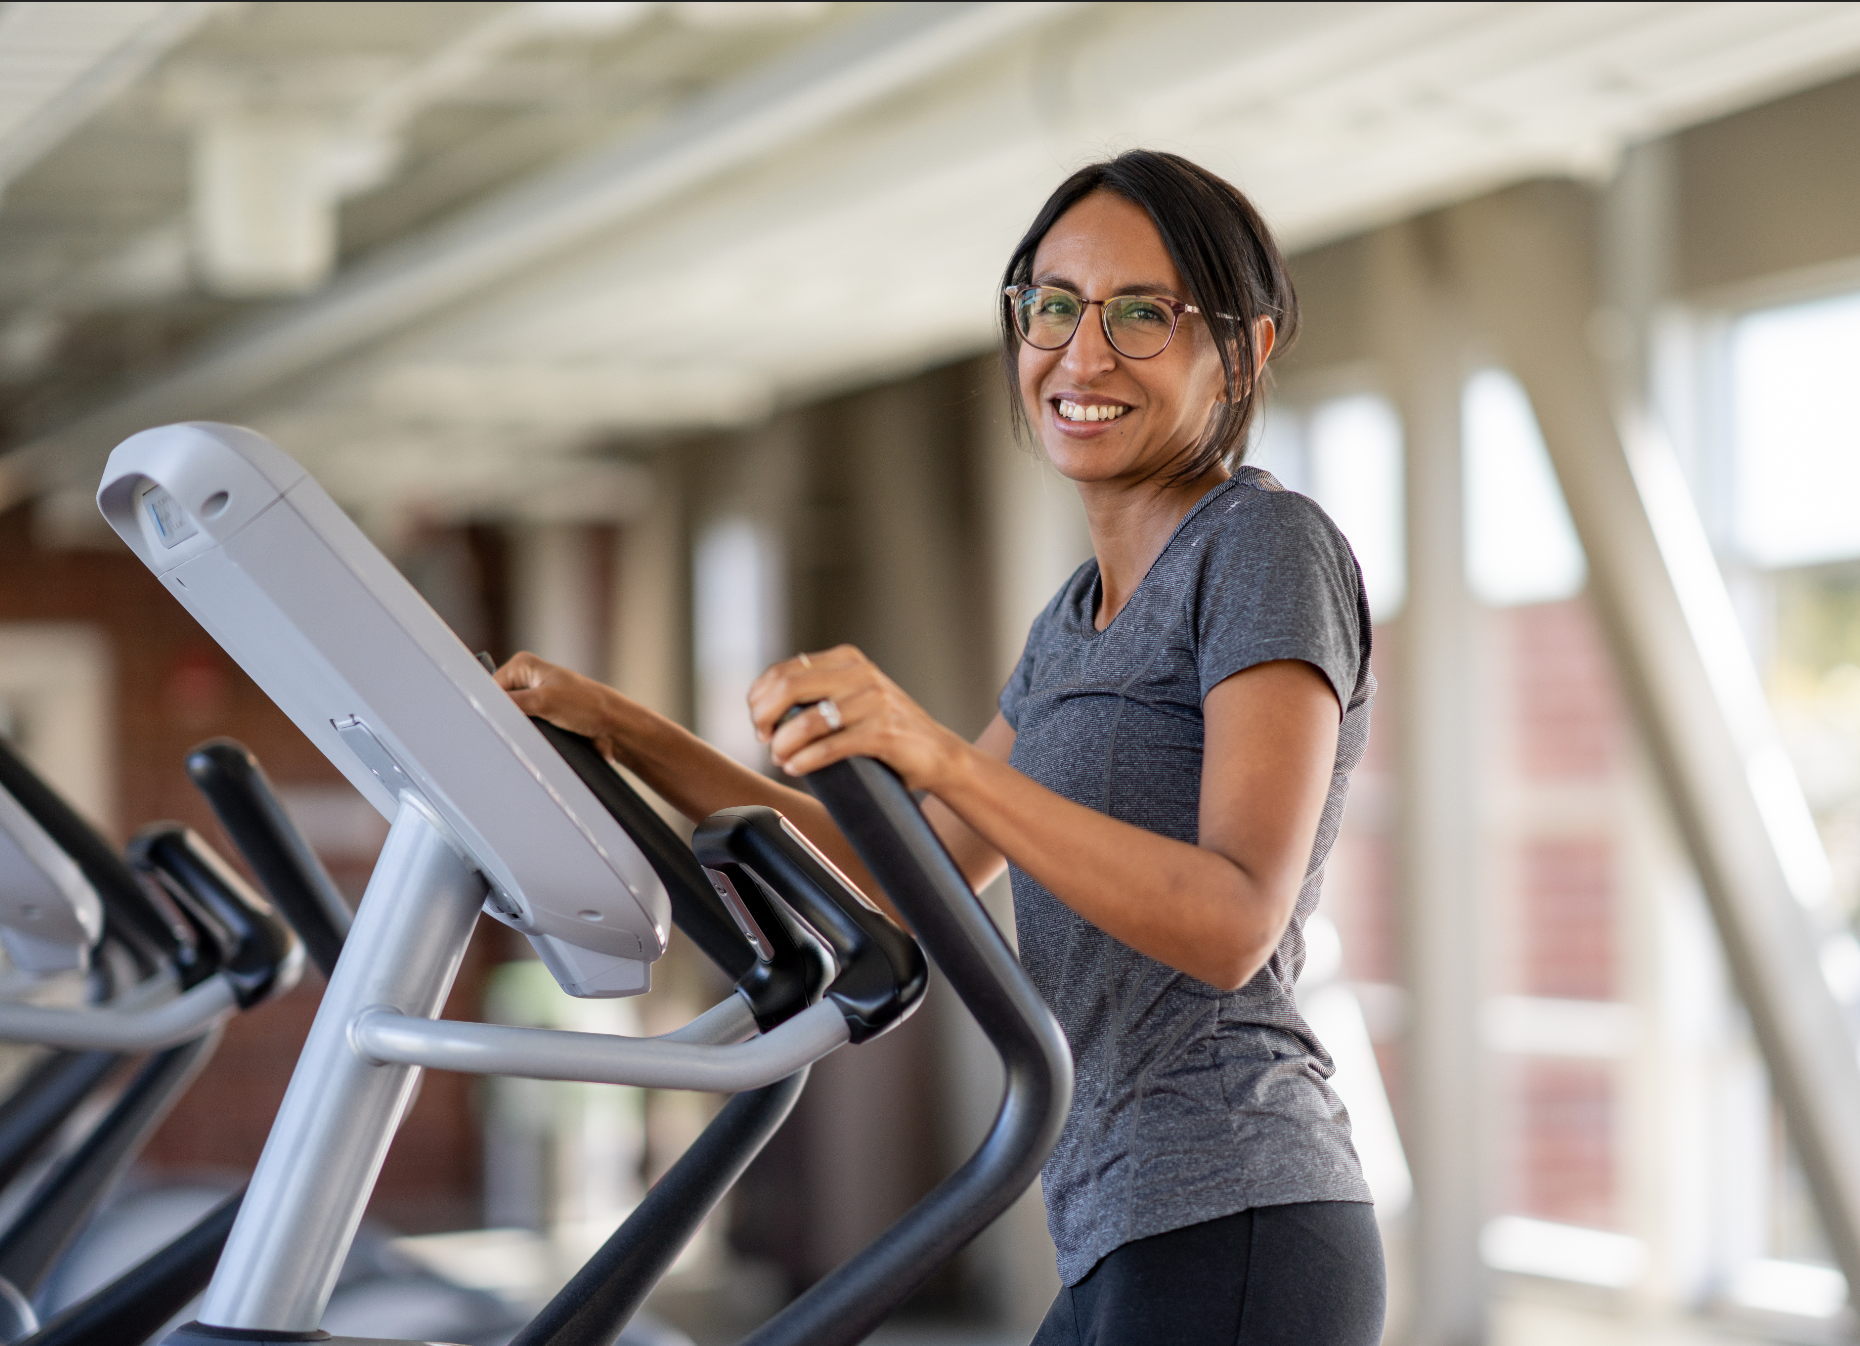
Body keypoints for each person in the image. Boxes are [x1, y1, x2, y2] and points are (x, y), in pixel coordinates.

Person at [497, 149, 1383, 1346]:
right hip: (1116, 1222)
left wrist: (933, 749)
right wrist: (624, 727)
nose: (1081, 353)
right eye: (1053, 306)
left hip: (1237, 1209)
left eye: (1139, 313)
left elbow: (1234, 921)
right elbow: (902, 875)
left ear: (1247, 348)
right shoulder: (1076, 619)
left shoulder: (1267, 547)